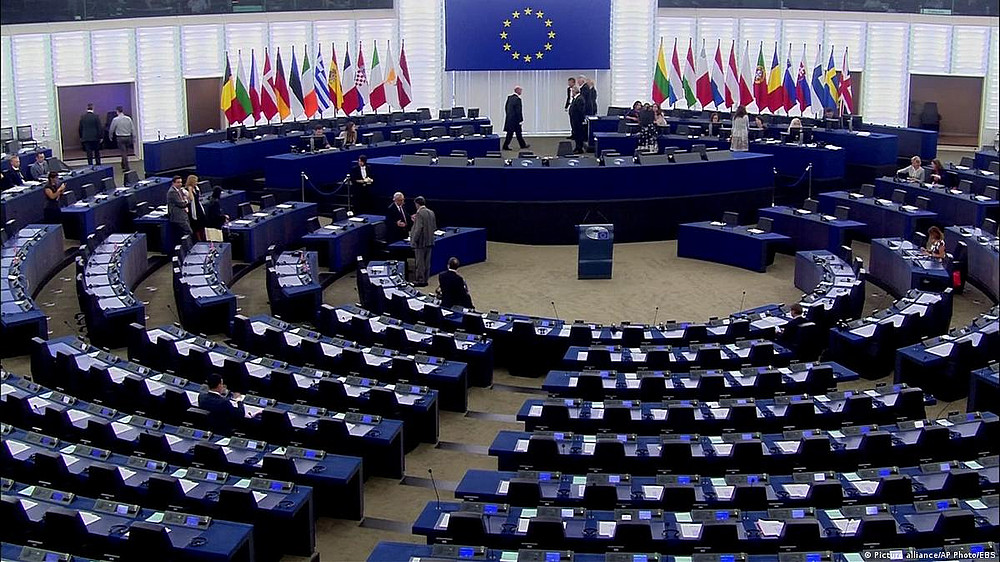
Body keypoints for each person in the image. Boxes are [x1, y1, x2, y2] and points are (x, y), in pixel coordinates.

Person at [409, 196, 437, 287]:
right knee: (427, 262)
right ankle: (425, 279)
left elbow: (418, 229)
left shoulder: (420, 213)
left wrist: (413, 241)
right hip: (430, 241)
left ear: (417, 204)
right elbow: (434, 227)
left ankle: (420, 280)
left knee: (420, 262)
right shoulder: (431, 212)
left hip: (421, 243)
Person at [167, 175, 193, 241]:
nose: (180, 184)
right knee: (189, 232)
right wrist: (186, 201)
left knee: (188, 231)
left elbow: (188, 199)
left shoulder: (180, 190)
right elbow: (181, 203)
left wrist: (185, 201)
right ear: (173, 183)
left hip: (184, 214)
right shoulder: (172, 192)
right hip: (178, 216)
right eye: (178, 182)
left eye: (181, 182)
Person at [109, 106, 135, 172]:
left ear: (117, 111)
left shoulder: (115, 119)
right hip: (128, 137)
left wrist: (110, 136)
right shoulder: (128, 118)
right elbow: (132, 128)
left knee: (123, 152)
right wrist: (134, 137)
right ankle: (123, 164)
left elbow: (112, 129)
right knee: (126, 151)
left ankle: (127, 167)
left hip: (120, 137)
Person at [502, 86, 528, 151]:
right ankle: (505, 146)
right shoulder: (518, 100)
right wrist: (520, 120)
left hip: (509, 119)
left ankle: (522, 145)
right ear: (517, 91)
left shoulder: (509, 98)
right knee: (512, 134)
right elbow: (518, 111)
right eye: (520, 90)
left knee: (516, 133)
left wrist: (508, 116)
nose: (521, 92)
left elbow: (506, 108)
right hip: (515, 120)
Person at [185, 175, 206, 240]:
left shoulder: (196, 188)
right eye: (195, 182)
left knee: (202, 223)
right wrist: (190, 190)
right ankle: (198, 239)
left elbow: (199, 197)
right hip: (192, 209)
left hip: (198, 208)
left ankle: (203, 238)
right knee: (196, 225)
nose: (196, 183)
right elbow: (191, 199)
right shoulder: (185, 190)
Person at [568, 86, 588, 154]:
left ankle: (579, 148)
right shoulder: (575, 98)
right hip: (574, 120)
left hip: (578, 121)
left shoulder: (580, 99)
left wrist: (581, 120)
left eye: (572, 91)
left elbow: (580, 111)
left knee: (579, 135)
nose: (571, 93)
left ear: (575, 91)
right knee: (576, 135)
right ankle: (577, 147)